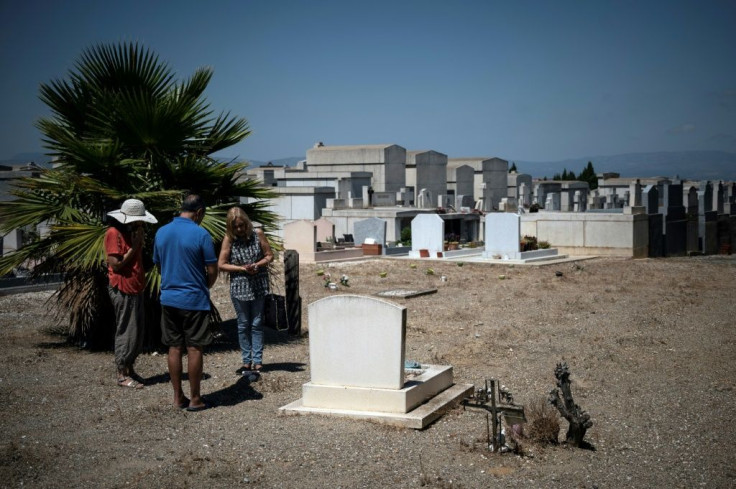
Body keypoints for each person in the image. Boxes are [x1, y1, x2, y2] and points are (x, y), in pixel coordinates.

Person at [153, 195, 218, 411]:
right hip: (194, 299)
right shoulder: (201, 234)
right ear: (198, 212)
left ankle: (177, 397)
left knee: (174, 347)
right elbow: (211, 269)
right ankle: (196, 398)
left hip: (169, 298)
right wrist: (204, 285)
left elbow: (159, 266)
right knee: (194, 348)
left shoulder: (161, 232)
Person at [105, 198, 158, 389]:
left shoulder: (132, 233)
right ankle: (121, 373)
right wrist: (134, 247)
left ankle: (129, 368)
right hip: (123, 286)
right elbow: (115, 264)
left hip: (135, 286)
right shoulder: (114, 233)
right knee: (127, 330)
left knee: (137, 331)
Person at [217, 206, 273, 374]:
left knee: (256, 323)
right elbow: (221, 264)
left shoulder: (258, 234)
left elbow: (269, 255)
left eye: (242, 225)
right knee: (243, 324)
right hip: (239, 286)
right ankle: (246, 361)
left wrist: (257, 265)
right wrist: (242, 269)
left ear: (247, 223)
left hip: (258, 285)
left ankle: (257, 360)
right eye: (236, 227)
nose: (239, 229)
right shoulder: (229, 239)